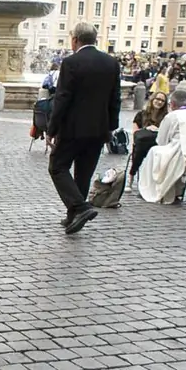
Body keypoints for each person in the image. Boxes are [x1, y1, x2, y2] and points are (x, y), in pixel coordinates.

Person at [47, 22, 121, 234]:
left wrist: (52, 129)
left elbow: (62, 98)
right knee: (84, 173)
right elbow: (115, 98)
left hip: (72, 128)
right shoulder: (111, 63)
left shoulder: (71, 62)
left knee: (58, 167)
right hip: (99, 129)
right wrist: (111, 127)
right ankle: (73, 215)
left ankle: (79, 208)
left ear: (75, 39)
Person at [137, 89, 186, 204]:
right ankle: (177, 191)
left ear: (172, 104)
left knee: (154, 151)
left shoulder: (172, 116)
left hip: (178, 150)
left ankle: (152, 189)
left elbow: (161, 140)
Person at [129, 91, 169, 189]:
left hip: (158, 145)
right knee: (139, 149)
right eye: (157, 99)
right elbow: (135, 133)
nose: (159, 102)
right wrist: (146, 129)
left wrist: (159, 130)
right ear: (152, 99)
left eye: (162, 101)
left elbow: (168, 133)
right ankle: (131, 177)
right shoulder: (141, 114)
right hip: (142, 144)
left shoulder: (166, 117)